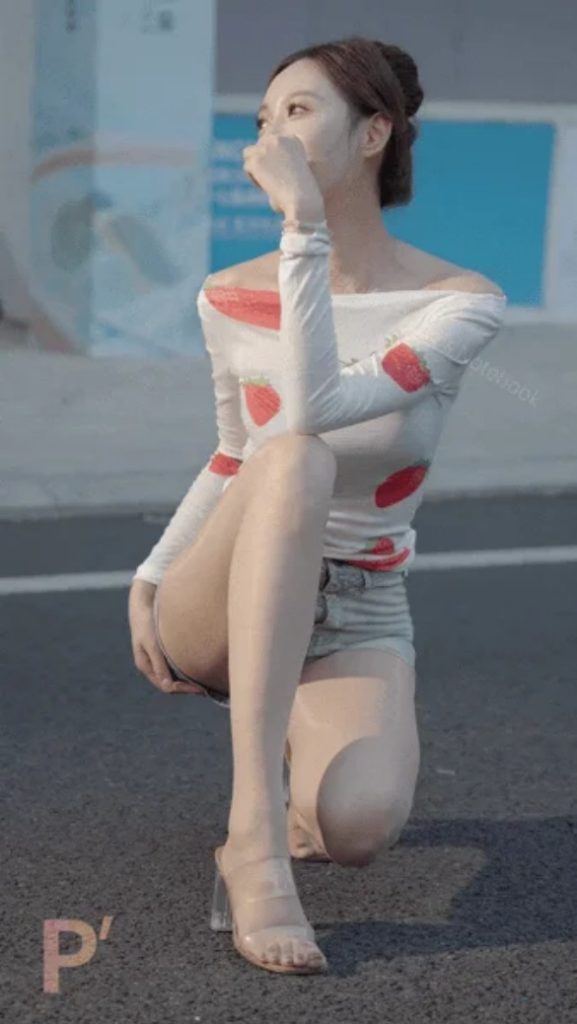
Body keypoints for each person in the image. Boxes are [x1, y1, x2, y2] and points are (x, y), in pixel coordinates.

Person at [127, 35, 507, 975]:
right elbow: (239, 452)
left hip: (358, 603)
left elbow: (315, 401)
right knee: (291, 461)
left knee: (357, 831)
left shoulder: (456, 304)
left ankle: (305, 781)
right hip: (227, 590)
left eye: (297, 112)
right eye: (262, 119)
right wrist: (152, 574)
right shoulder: (227, 294)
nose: (270, 136)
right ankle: (251, 838)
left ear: (373, 133)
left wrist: (304, 229)